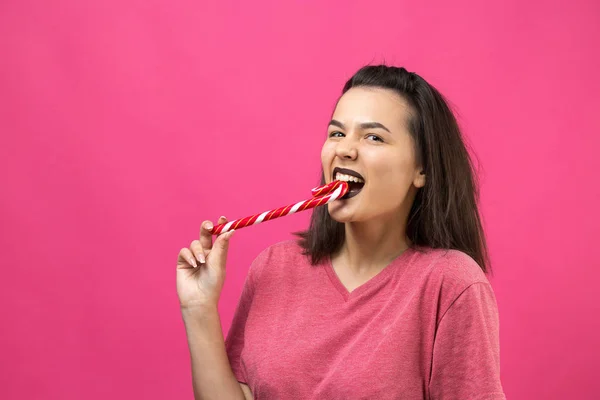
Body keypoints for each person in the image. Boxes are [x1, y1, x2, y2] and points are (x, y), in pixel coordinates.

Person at [176, 65, 506, 399]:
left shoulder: (450, 284)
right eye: (337, 133)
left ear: (421, 169)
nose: (345, 149)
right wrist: (199, 309)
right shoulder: (273, 268)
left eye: (373, 137)